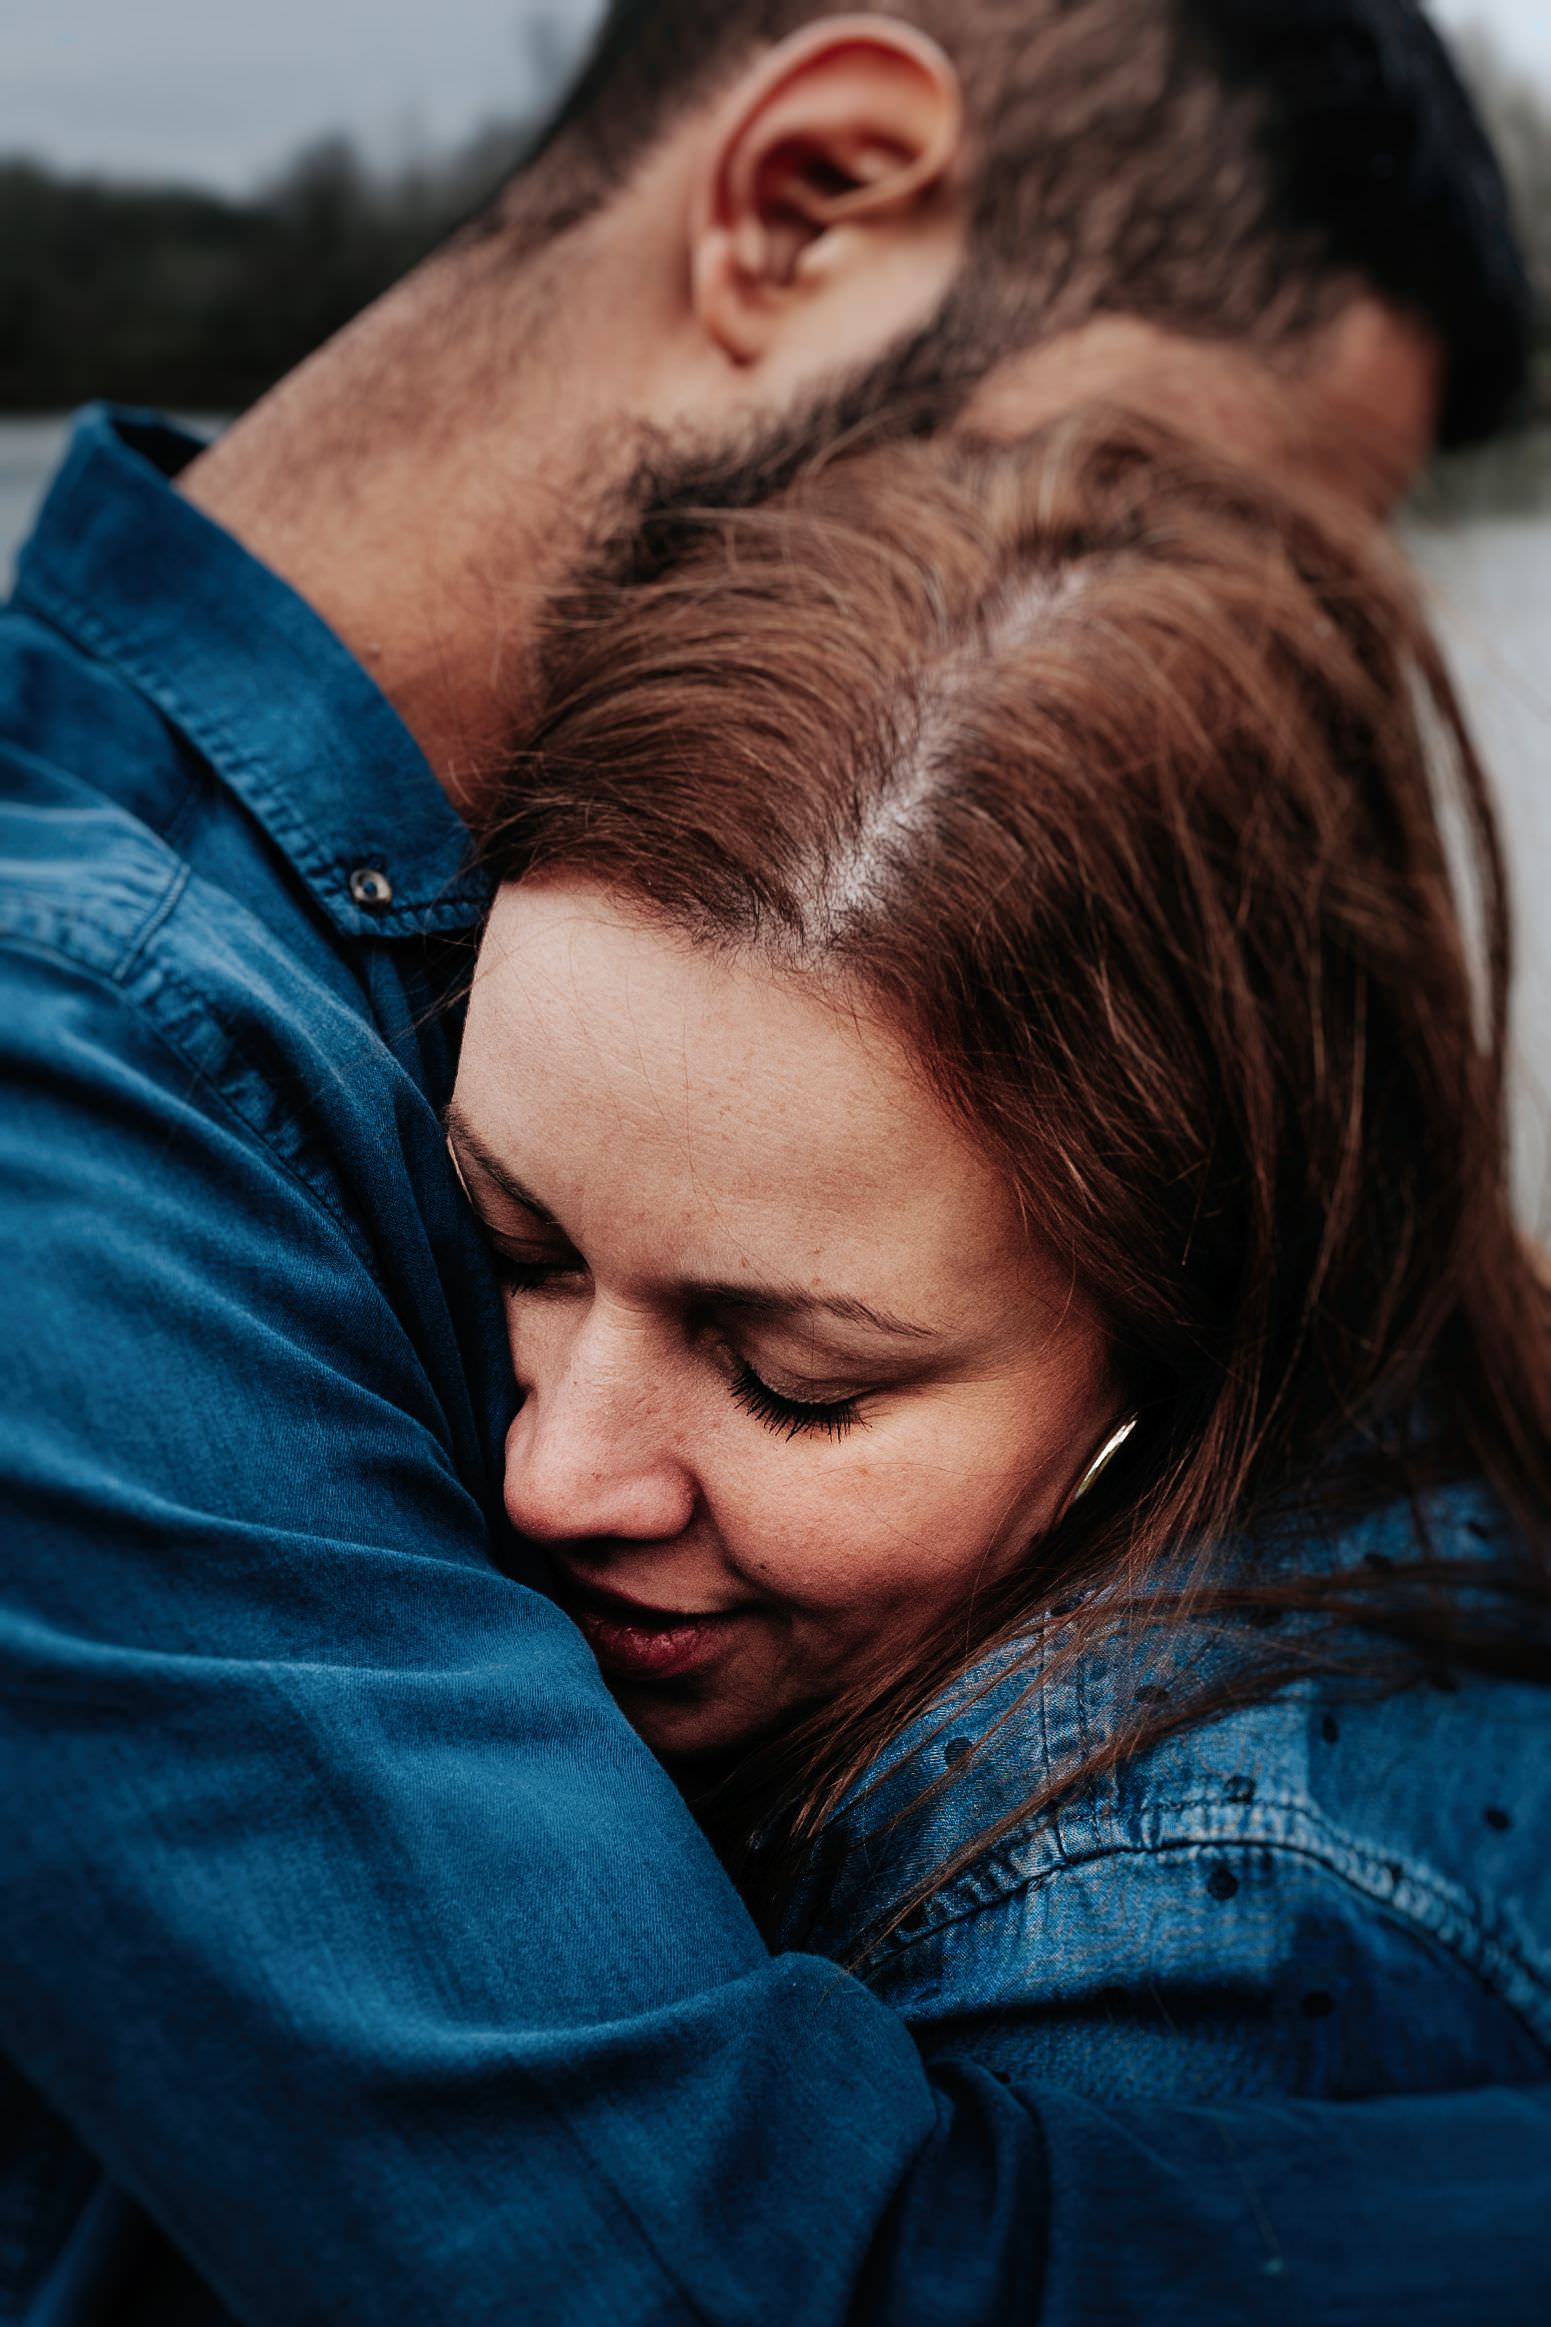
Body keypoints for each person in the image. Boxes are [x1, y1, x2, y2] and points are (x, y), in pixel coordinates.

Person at [0, 2, 1545, 2319]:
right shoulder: (85, 1085)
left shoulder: (469, 945)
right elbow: (712, 2270)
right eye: (1169, 498)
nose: (1220, 666)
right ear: (812, 197)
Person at [451, 411, 1551, 2103]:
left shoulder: (1178, 1959)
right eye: (517, 1243)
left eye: (790, 1381)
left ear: (1184, 1325)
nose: (559, 1481)